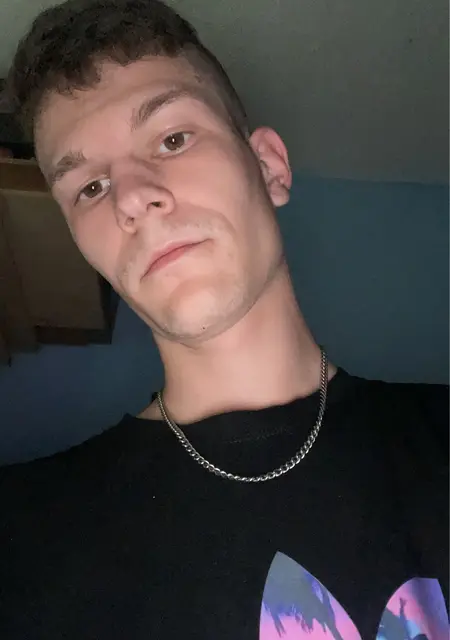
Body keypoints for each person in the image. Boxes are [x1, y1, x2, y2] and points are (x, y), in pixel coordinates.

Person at [1, 0, 448, 637]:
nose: (132, 198)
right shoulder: (21, 542)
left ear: (269, 167)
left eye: (172, 139)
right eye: (90, 188)